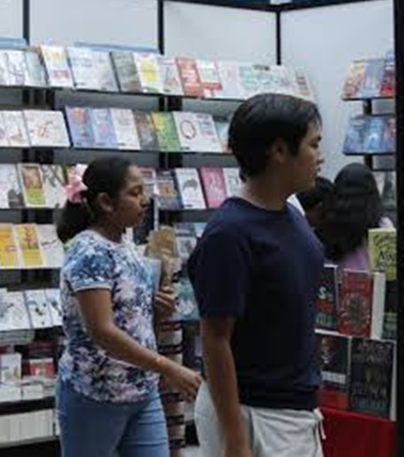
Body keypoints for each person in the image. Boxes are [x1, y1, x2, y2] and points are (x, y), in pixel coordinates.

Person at [188, 94, 325, 457]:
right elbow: (216, 339)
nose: (319, 156)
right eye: (313, 144)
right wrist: (235, 439)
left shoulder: (293, 216)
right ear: (280, 151)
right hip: (254, 412)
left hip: (295, 409)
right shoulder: (230, 234)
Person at [54, 157, 201, 457]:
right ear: (106, 202)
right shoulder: (89, 251)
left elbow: (130, 320)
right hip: (95, 394)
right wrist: (169, 368)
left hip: (141, 391)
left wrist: (157, 311)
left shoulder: (125, 244)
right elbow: (103, 332)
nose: (144, 201)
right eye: (135, 193)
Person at [318, 163, 394, 272]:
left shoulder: (325, 225)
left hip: (336, 287)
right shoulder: (383, 227)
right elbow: (389, 272)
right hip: (373, 288)